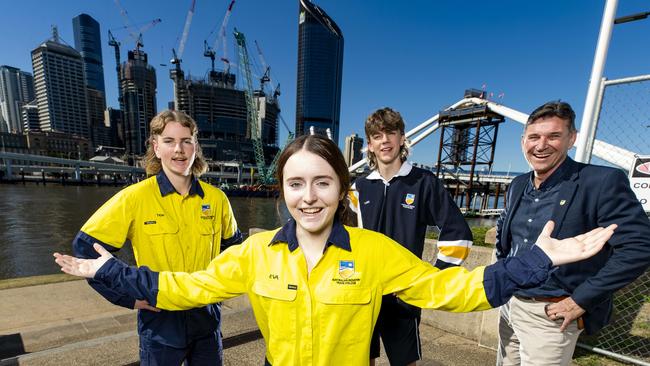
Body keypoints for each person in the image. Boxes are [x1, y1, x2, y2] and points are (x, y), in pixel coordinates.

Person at [56, 135, 616, 366]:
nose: (308, 197)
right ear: (282, 191)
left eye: (322, 183)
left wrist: (537, 261)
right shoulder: (254, 254)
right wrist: (115, 275)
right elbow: (182, 287)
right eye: (296, 184)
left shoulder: (374, 252)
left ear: (342, 189)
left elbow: (458, 290)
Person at [71, 110, 242, 366]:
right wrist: (129, 298)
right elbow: (85, 248)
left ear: (195, 146)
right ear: (156, 147)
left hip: (206, 323)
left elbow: (237, 252)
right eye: (169, 141)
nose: (179, 150)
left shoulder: (217, 200)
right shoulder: (135, 198)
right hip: (160, 327)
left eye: (186, 140)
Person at [495, 101, 650, 366]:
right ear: (523, 141)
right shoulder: (518, 184)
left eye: (553, 136)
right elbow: (504, 236)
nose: (541, 145)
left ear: (572, 139)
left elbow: (640, 246)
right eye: (534, 137)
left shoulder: (601, 182)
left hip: (551, 313)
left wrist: (581, 299)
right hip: (510, 304)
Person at [350, 107, 472, 366]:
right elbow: (343, 235)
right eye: (377, 135)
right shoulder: (358, 187)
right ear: (369, 145)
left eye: (391, 133)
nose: (385, 140)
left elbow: (458, 233)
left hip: (402, 294)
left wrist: (432, 278)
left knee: (405, 362)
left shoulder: (423, 182)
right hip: (363, 292)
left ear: (402, 138)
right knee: (361, 359)